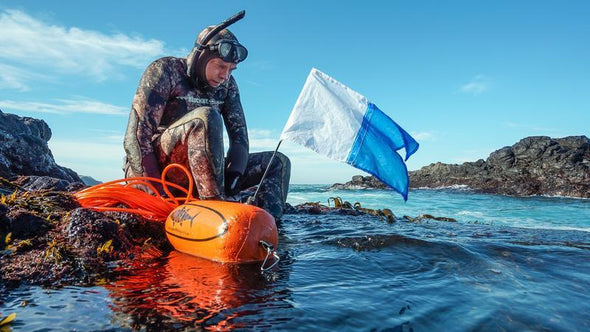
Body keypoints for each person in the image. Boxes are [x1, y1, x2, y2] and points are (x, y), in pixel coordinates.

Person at [123, 25, 291, 220]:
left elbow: (239, 140)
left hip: (203, 173)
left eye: (231, 69)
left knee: (277, 162)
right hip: (158, 173)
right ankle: (215, 212)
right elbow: (134, 139)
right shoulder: (165, 71)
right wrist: (158, 194)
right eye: (220, 66)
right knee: (205, 117)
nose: (225, 75)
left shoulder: (227, 85)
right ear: (200, 56)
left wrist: (234, 179)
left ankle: (268, 226)